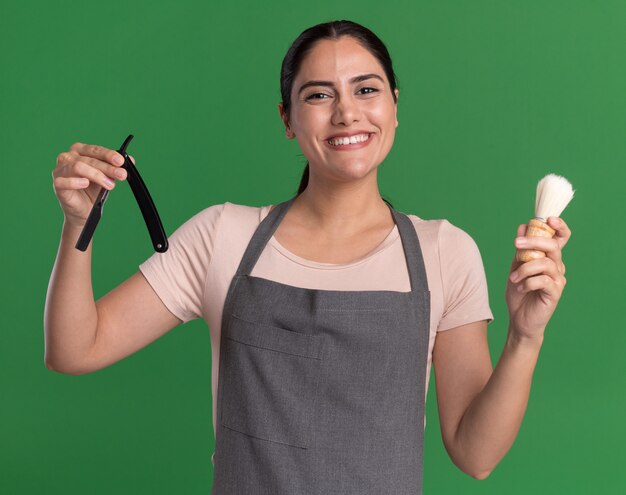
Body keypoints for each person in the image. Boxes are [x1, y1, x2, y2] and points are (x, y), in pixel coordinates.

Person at [46, 20, 571, 494]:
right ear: (287, 119)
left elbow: (475, 455)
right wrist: (77, 223)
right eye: (319, 94)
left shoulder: (445, 252)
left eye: (366, 90)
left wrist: (526, 335)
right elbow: (74, 349)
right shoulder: (222, 237)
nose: (347, 113)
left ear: (394, 104)